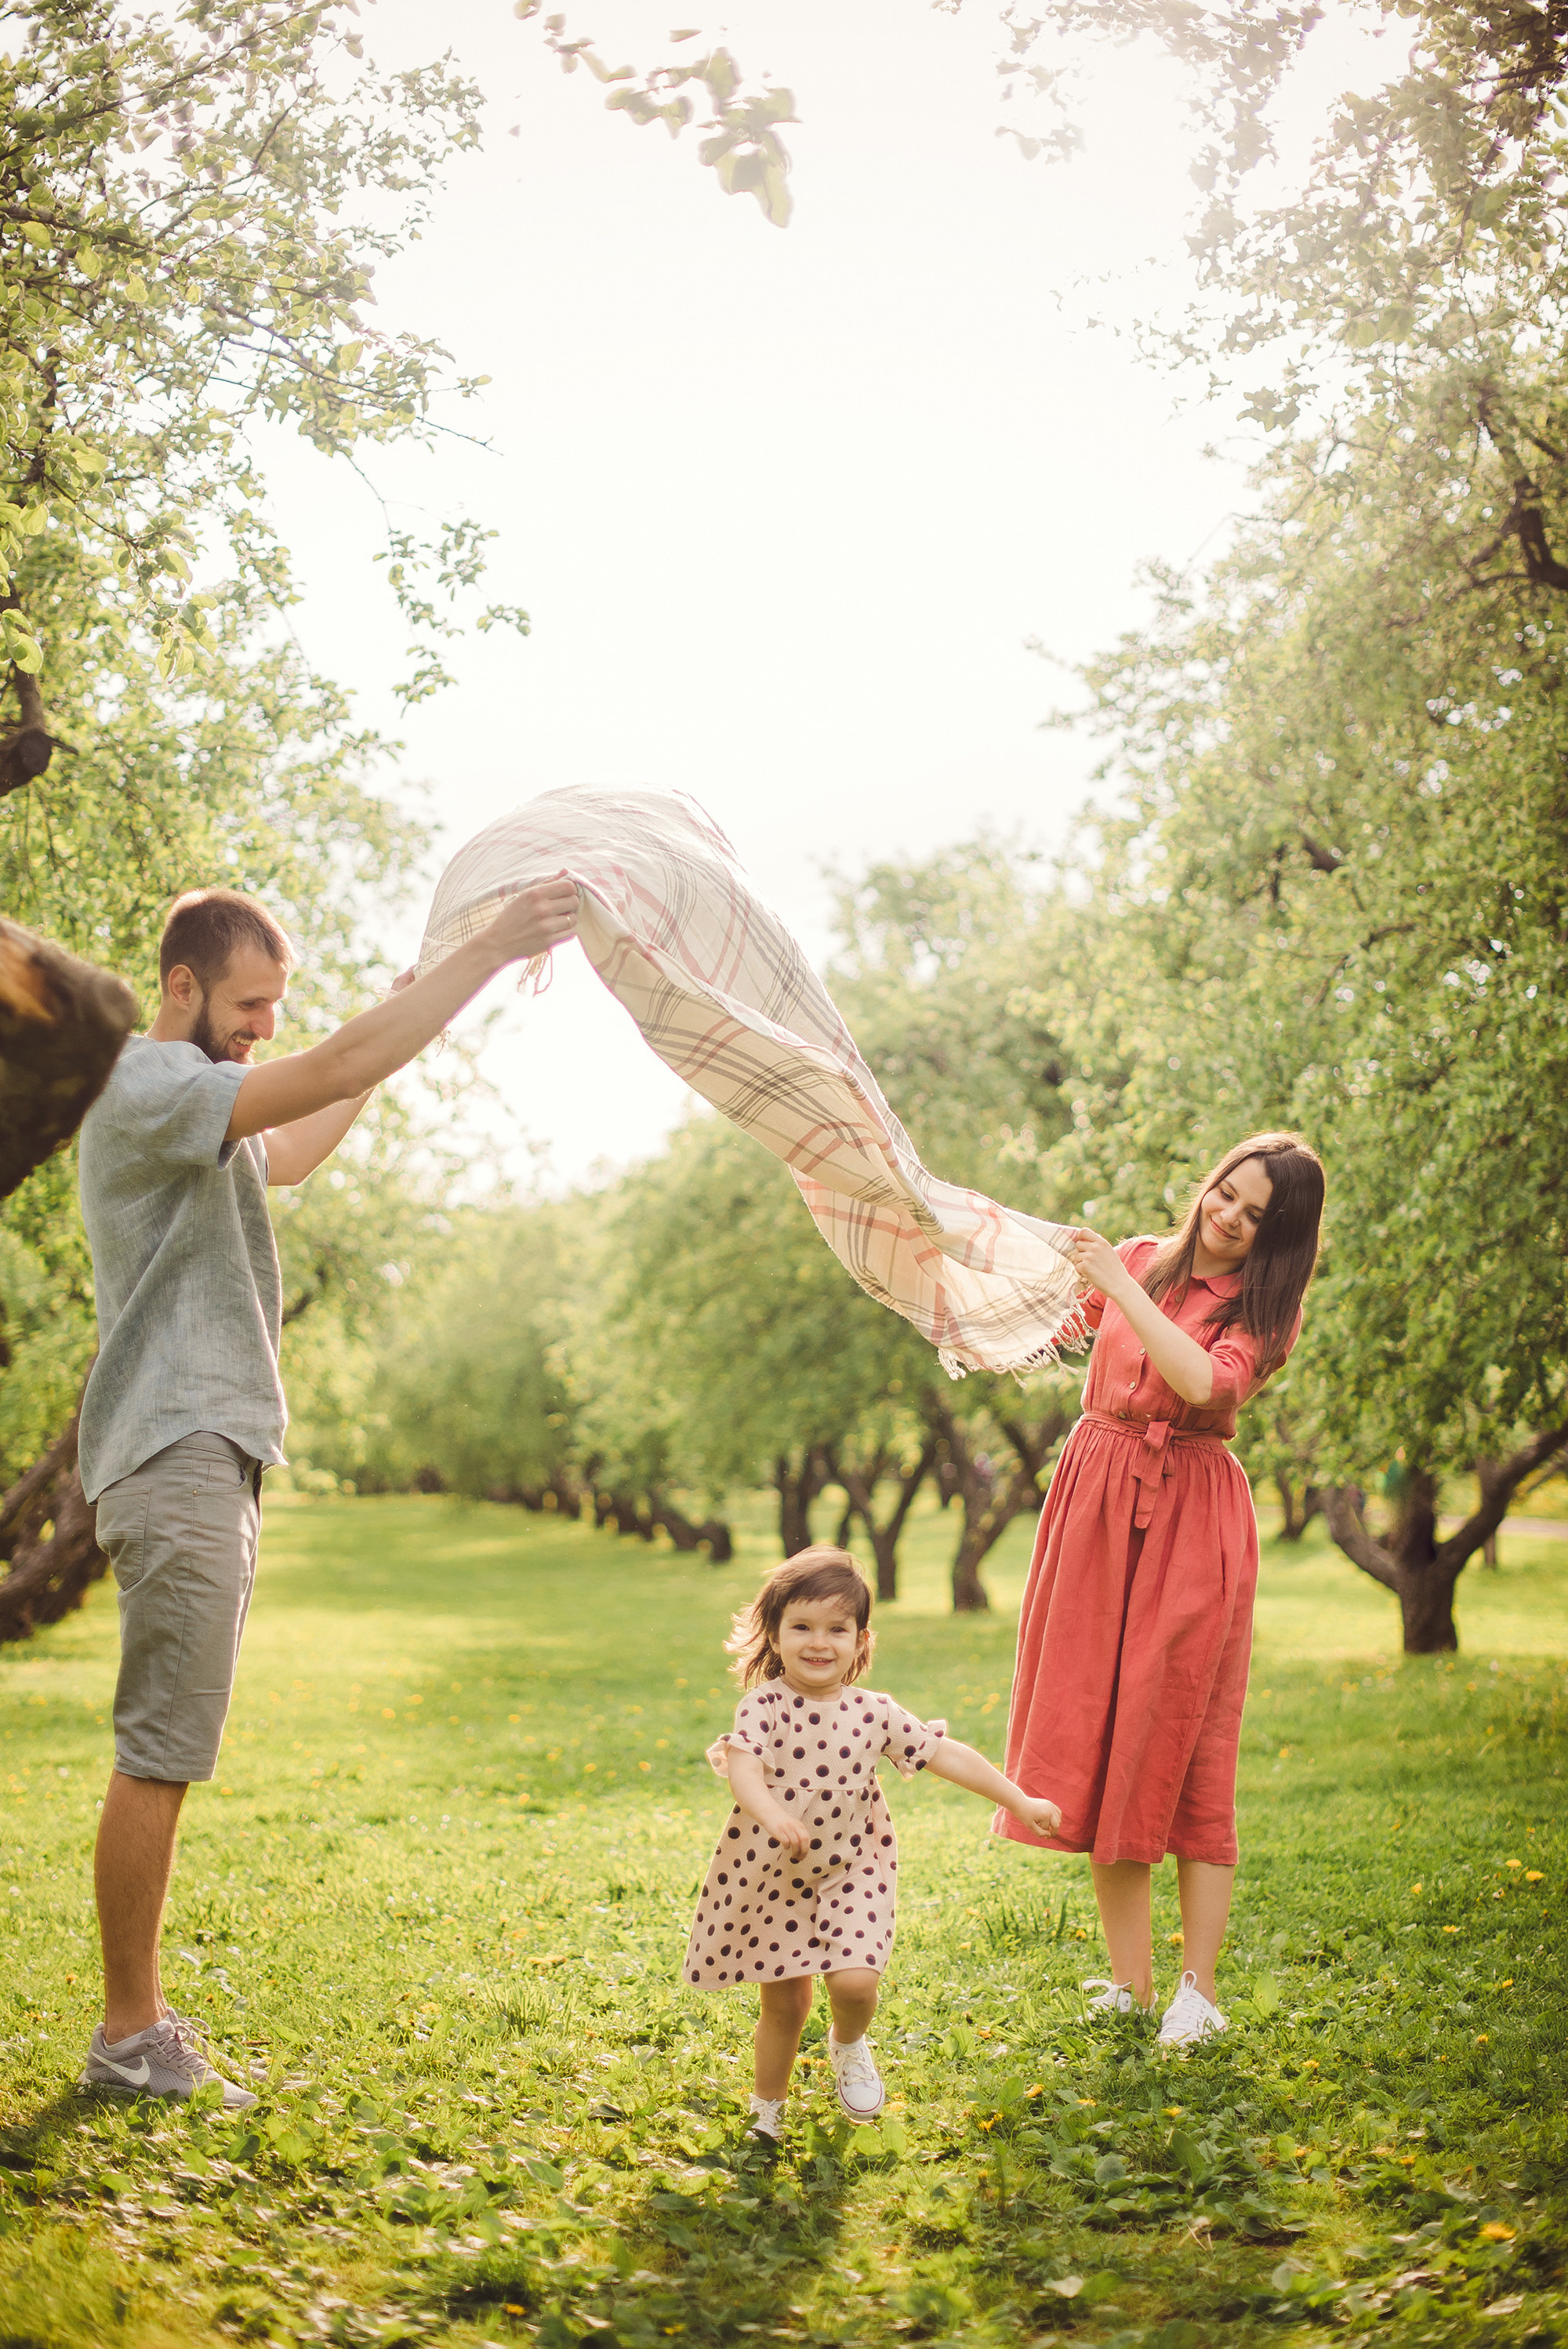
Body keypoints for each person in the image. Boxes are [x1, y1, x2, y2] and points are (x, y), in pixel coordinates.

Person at [74, 877, 579, 2106]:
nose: (263, 1027)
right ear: (181, 985)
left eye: (277, 1008)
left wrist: (409, 1016)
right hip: (176, 1437)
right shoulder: (143, 1086)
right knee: (161, 1748)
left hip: (208, 1442)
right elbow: (322, 1068)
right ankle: (129, 2036)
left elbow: (295, 1143)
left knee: (172, 1744)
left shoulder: (204, 1104)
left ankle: (133, 2028)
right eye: (250, 1006)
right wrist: (486, 956)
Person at [994, 1133, 1326, 2050]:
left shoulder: (1264, 1308)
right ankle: (1132, 1987)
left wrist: (1122, 1283)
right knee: (1100, 1741)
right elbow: (1038, 1322)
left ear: (1278, 1235)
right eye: (1225, 1192)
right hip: (1094, 1503)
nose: (1226, 1216)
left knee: (1179, 1741)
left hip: (1189, 1517)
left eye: (1254, 1213)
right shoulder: (1137, 1257)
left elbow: (1200, 1381)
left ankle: (1197, 1991)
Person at [690, 1546, 1062, 2144]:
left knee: (856, 1983)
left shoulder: (873, 1713)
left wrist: (1019, 1800)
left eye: (837, 1629)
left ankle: (848, 2043)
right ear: (776, 1635)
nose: (819, 1642)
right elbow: (744, 1770)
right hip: (773, 1874)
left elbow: (946, 1754)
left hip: (853, 1867)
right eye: (802, 1627)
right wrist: (772, 1814)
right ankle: (767, 2112)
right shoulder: (763, 1706)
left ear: (861, 1640)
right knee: (784, 2006)